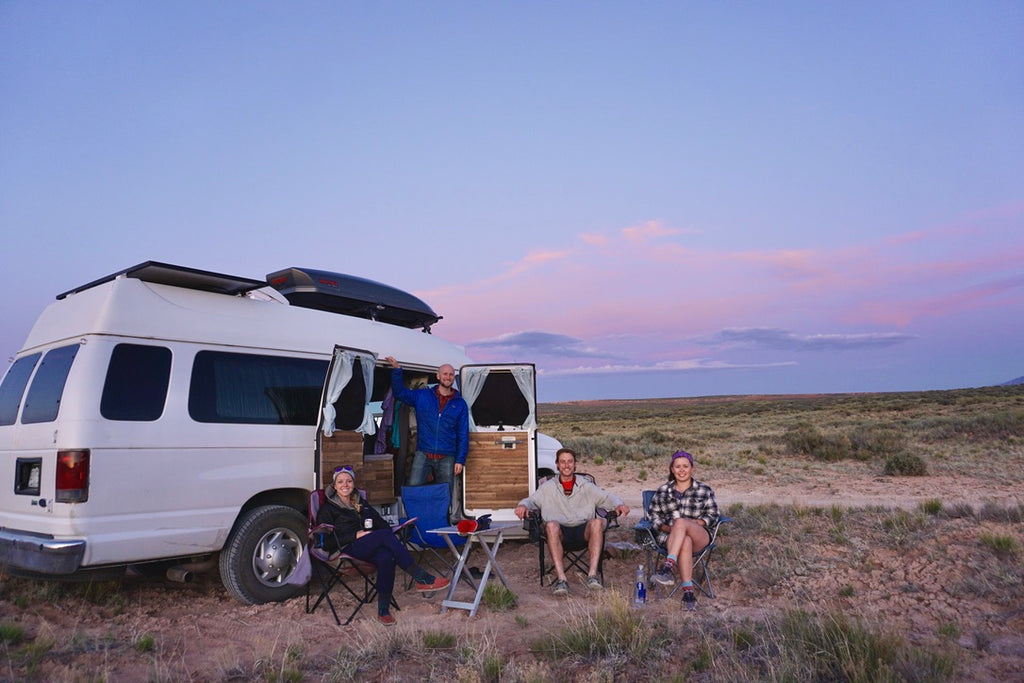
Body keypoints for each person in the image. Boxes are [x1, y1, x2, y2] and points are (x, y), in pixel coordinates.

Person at [316, 466, 450, 625]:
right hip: (345, 549)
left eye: (349, 481)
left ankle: (383, 611)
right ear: (334, 486)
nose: (345, 485)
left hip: (367, 546)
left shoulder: (361, 503)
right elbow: (324, 543)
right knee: (385, 537)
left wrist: (380, 534)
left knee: (386, 557)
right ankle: (422, 577)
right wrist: (355, 535)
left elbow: (382, 525)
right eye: (340, 482)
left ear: (353, 484)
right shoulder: (328, 509)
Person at [514, 447, 629, 596]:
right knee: (551, 525)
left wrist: (619, 504)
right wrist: (522, 506)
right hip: (558, 534)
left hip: (583, 532)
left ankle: (592, 576)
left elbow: (606, 497)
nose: (566, 465)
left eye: (570, 462)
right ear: (557, 465)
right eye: (562, 462)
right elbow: (531, 501)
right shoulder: (547, 487)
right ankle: (562, 580)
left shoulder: (586, 486)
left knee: (597, 523)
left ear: (575, 465)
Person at [384, 356, 469, 518]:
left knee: (445, 494)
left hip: (447, 456)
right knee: (413, 488)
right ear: (437, 376)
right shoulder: (423, 396)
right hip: (423, 452)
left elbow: (463, 434)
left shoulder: (460, 403)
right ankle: (413, 525)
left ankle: (442, 525)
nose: (448, 377)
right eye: (445, 374)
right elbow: (400, 393)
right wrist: (396, 370)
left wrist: (460, 459)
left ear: (454, 378)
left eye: (451, 374)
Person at [649, 450, 720, 610]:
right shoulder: (663, 491)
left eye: (685, 466)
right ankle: (689, 593)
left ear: (692, 469)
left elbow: (714, 515)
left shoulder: (704, 490)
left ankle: (668, 566)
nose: (682, 470)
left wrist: (694, 523)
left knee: (682, 524)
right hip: (670, 538)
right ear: (672, 470)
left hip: (699, 536)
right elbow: (653, 516)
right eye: (678, 467)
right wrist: (669, 528)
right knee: (684, 540)